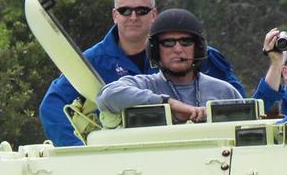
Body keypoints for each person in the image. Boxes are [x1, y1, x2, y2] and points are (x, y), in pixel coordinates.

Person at [37, 0, 243, 145]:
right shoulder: (92, 61)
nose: (133, 17)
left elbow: (243, 107)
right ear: (114, 15)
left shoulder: (200, 57)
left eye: (142, 10)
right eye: (125, 11)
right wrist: (79, 151)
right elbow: (53, 106)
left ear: (154, 14)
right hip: (128, 159)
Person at [95, 9, 242, 122]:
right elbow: (106, 96)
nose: (178, 49)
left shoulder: (224, 92)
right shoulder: (145, 85)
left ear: (197, 47)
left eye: (186, 42)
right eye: (168, 43)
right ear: (155, 50)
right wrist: (168, 104)